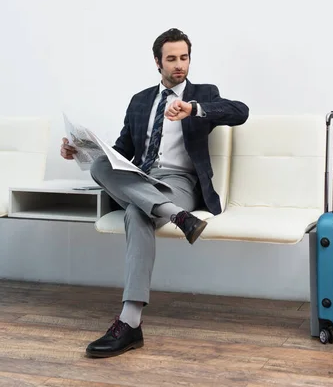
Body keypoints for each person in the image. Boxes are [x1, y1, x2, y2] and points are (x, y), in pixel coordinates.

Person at [60, 28, 249, 358]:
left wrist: (194, 110)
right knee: (100, 166)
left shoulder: (202, 94)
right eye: (172, 59)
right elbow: (121, 151)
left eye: (184, 58)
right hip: (142, 178)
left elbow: (239, 111)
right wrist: (78, 150)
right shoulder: (140, 101)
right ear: (157, 62)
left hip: (180, 184)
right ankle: (175, 217)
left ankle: (129, 323)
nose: (179, 65)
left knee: (137, 210)